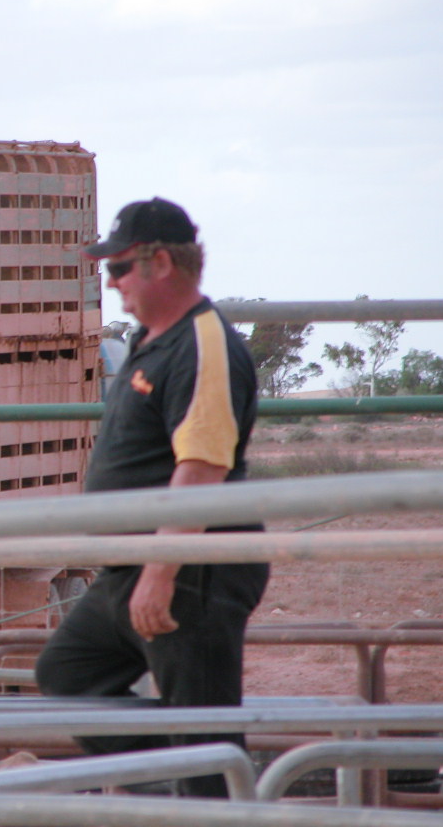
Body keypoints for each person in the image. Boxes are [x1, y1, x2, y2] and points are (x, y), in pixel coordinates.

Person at [34, 196, 269, 798]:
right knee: (67, 674)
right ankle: (177, 782)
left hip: (190, 571)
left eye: (118, 269)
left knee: (203, 736)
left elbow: (203, 465)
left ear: (161, 263)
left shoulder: (204, 344)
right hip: (137, 568)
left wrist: (161, 574)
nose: (111, 284)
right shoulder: (154, 339)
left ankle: (205, 783)